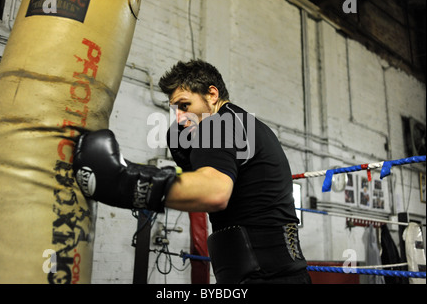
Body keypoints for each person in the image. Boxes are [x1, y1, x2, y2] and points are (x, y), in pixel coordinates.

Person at [72, 59, 311, 284]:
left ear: (212, 94)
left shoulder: (216, 125)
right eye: (174, 109)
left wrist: (123, 183)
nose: (179, 117)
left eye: (184, 105)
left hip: (261, 277)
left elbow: (214, 193)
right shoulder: (248, 124)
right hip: (283, 273)